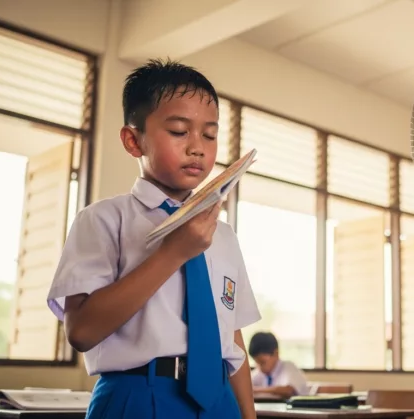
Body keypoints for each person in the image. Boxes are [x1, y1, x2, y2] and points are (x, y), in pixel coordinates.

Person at [46, 59, 261, 419]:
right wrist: (174, 252)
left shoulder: (223, 234)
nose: (198, 147)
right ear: (133, 140)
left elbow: (231, 337)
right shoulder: (103, 220)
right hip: (138, 395)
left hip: (220, 401)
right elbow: (81, 331)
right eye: (179, 131)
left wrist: (247, 414)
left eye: (209, 134)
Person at [249, 332, 309, 398]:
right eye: (257, 362)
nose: (260, 367)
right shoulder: (257, 374)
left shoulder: (289, 367)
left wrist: (255, 390)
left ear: (276, 353)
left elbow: (289, 391)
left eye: (263, 362)